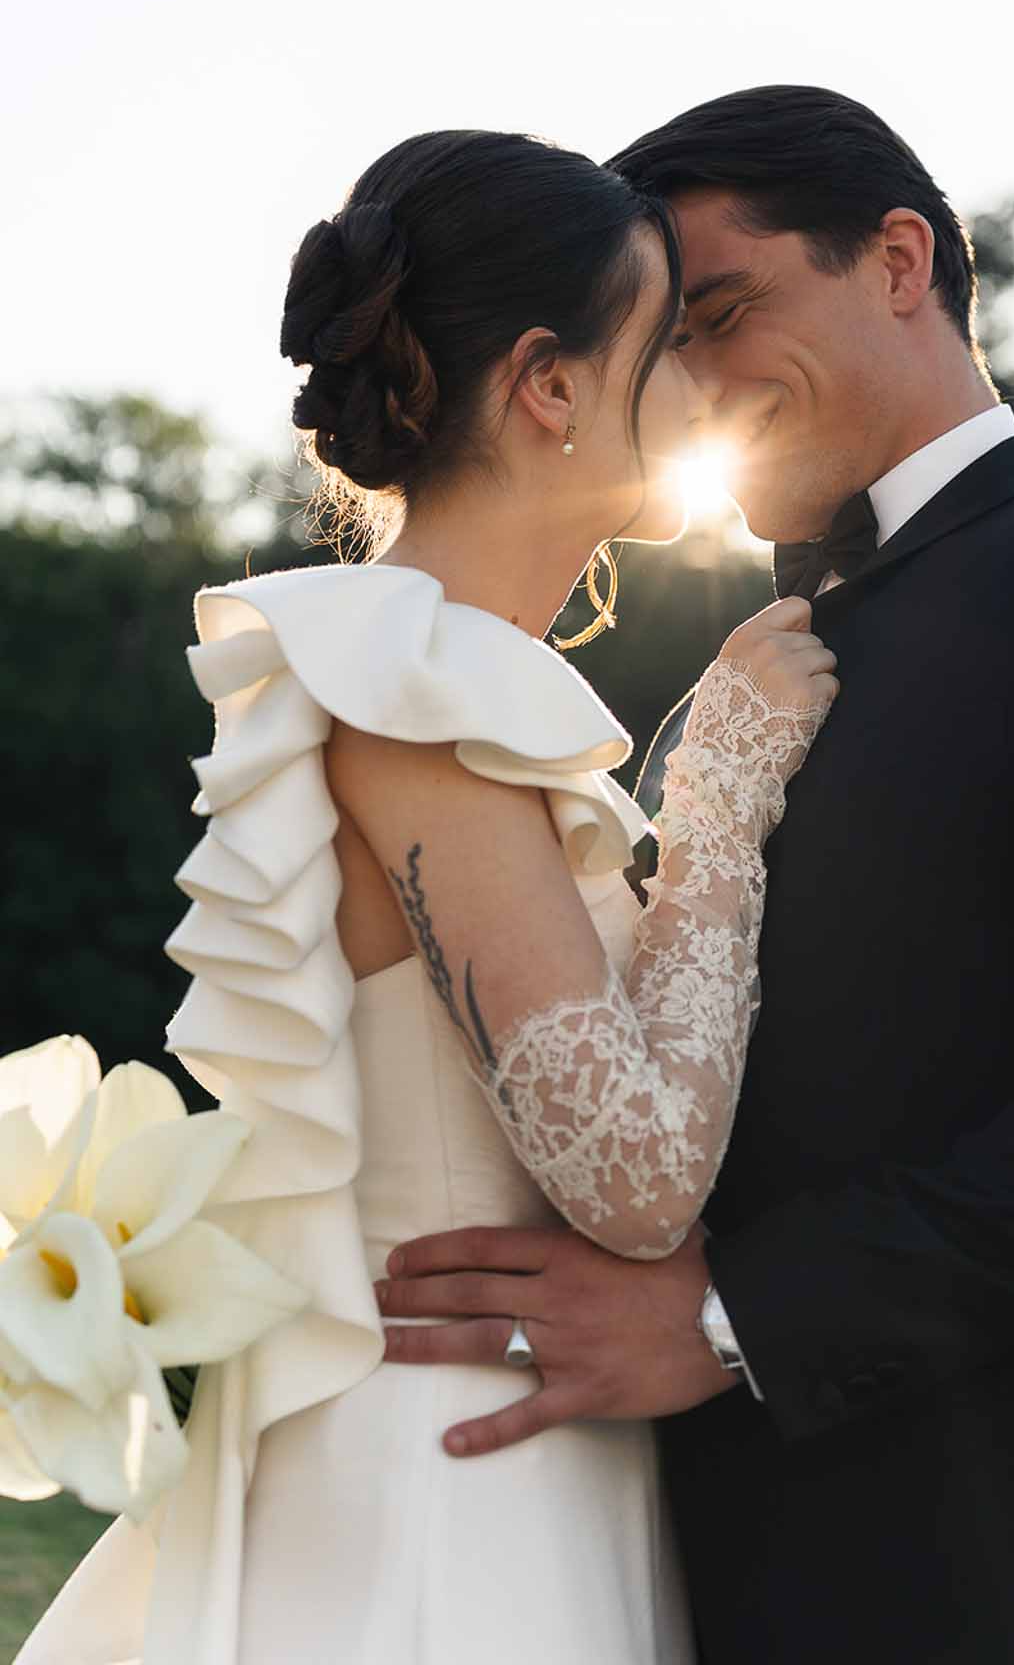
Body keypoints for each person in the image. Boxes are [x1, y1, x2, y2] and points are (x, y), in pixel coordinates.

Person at [378, 87, 1014, 1664]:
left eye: (721, 314)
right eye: (654, 352)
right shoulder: (709, 704)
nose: (685, 391)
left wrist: (726, 1320)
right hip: (686, 1570)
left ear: (898, 260)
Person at [16, 127, 837, 1665]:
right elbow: (640, 1180)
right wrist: (718, 804)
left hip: (493, 1428)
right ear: (547, 386)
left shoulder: (419, 682)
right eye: (669, 345)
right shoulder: (415, 707)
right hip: (444, 1500)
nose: (706, 391)